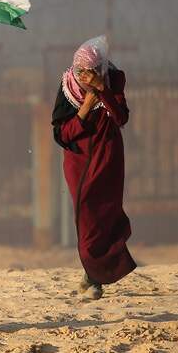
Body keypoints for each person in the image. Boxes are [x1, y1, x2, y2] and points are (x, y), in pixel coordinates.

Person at [51, 35, 136, 299]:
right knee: (86, 217)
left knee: (106, 215)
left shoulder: (113, 80)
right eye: (81, 72)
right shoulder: (68, 87)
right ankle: (94, 274)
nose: (84, 77)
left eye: (90, 72)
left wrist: (102, 90)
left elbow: (121, 117)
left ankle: (94, 278)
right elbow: (61, 134)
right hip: (79, 163)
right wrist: (86, 107)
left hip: (108, 159)